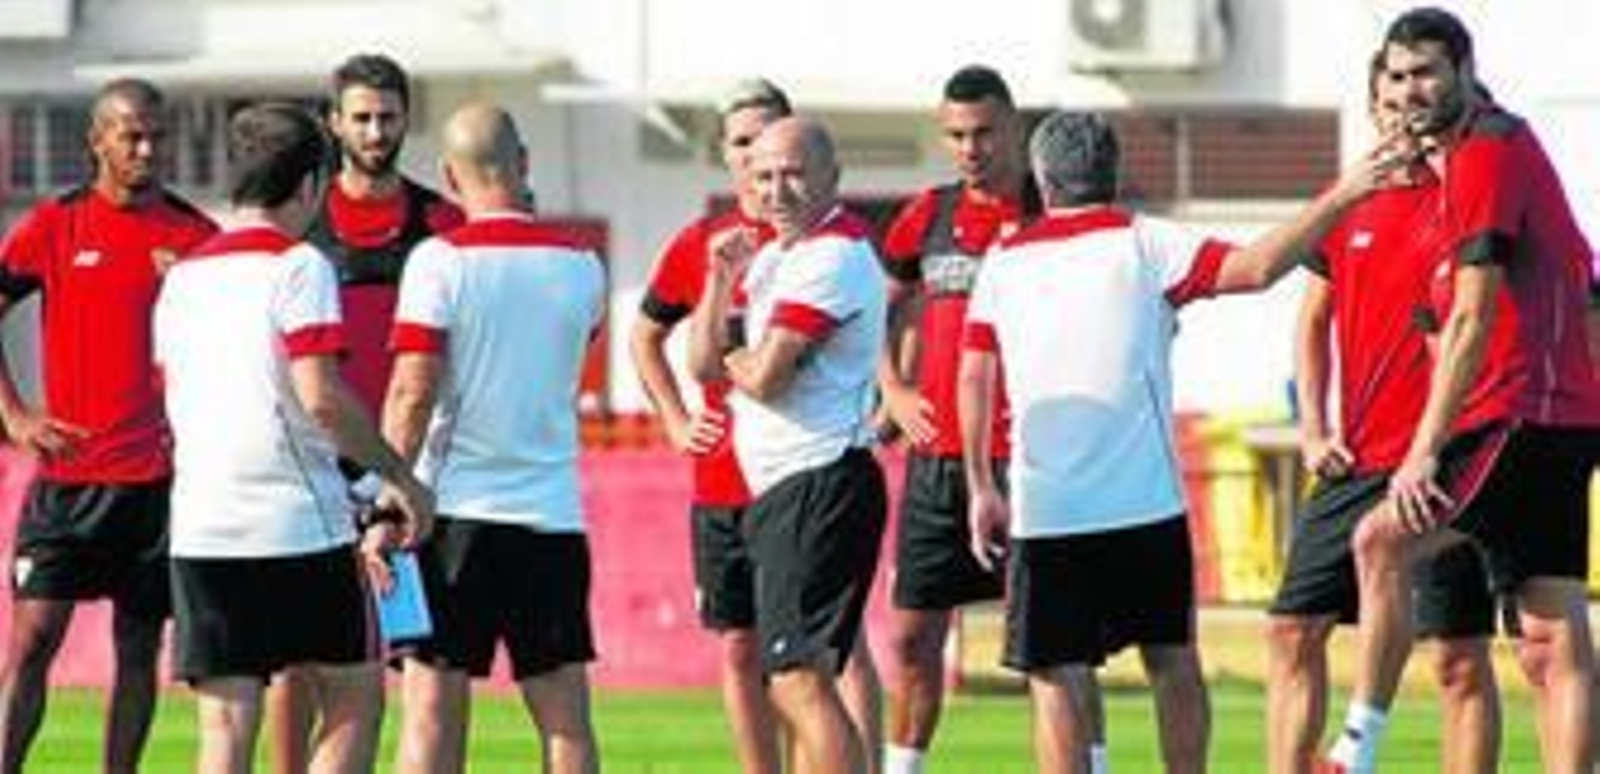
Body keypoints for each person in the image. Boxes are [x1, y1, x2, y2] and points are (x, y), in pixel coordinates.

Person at [959, 110, 1386, 774]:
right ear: (1115, 169)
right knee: (1172, 662)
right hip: (1145, 503)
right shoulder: (1146, 241)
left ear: (1042, 180)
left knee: (1056, 674)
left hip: (1046, 510)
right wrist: (1343, 193)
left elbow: (975, 375)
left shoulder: (1004, 260)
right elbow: (1258, 267)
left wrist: (981, 487)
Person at [1325, 8, 1600, 772]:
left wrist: (1423, 450)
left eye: (1427, 74)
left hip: (1519, 410)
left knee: (1380, 537)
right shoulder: (1491, 155)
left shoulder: (1483, 152)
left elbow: (1475, 318)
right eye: (1399, 77)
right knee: (1548, 635)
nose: (1412, 92)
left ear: (1466, 71)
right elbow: (1583, 277)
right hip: (1556, 413)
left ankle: (1355, 751)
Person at [153, 101, 432, 774]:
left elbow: (176, 399)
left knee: (224, 728)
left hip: (202, 527)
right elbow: (322, 398)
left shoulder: (182, 280)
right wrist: (399, 476)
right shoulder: (299, 266)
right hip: (298, 527)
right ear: (311, 183)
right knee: (353, 697)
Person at [630, 78, 884, 774]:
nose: (773, 186)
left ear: (831, 175)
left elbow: (762, 375)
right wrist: (719, 285)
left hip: (816, 477)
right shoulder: (764, 254)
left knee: (803, 675)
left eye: (792, 171)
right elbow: (697, 360)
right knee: (784, 668)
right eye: (758, 165)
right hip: (773, 484)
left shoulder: (834, 252)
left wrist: (735, 356)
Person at [1266, 52, 1502, 774]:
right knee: (1292, 630)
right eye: (1388, 103)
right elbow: (1310, 325)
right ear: (1374, 111)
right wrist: (1312, 430)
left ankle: (1363, 748)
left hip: (1440, 460)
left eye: (1414, 99)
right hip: (1355, 460)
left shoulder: (1468, 198)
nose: (1402, 115)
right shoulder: (1346, 204)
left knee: (1459, 659)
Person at [877, 64, 1108, 774]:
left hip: (1032, 457)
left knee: (1056, 646)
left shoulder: (1054, 209)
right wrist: (893, 389)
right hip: (938, 460)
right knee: (914, 637)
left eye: (982, 132)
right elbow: (873, 306)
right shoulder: (928, 214)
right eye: (955, 135)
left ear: (1014, 127)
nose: (969, 148)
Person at [380, 102, 606, 774]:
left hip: (454, 516)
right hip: (552, 516)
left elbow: (411, 390)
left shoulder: (438, 260)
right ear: (524, 163)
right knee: (565, 717)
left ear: (450, 177)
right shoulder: (581, 265)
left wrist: (388, 498)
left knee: (430, 710)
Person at [0, 78, 217, 774]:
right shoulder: (54, 226)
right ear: (97, 141)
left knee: (137, 651)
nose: (148, 148)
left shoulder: (196, 238)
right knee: (32, 642)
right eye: (131, 134)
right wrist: (13, 415)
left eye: (157, 133)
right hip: (68, 482)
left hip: (157, 485)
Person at [266, 51, 463, 774]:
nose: (376, 131)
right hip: (312, 472)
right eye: (361, 118)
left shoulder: (442, 224)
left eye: (388, 117)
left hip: (405, 477)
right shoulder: (301, 226)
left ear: (408, 119)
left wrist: (407, 472)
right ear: (334, 122)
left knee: (415, 660)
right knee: (295, 665)